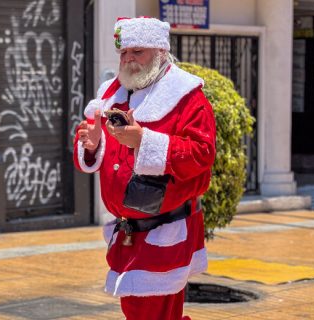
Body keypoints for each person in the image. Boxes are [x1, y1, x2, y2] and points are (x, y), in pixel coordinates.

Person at [74, 16, 216, 320]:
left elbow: (202, 154)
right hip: (128, 233)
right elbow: (88, 140)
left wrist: (144, 140)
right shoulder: (112, 92)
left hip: (165, 230)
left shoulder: (188, 97)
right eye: (124, 53)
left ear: (160, 52)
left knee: (154, 312)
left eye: (137, 52)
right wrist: (91, 144)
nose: (129, 60)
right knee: (143, 311)